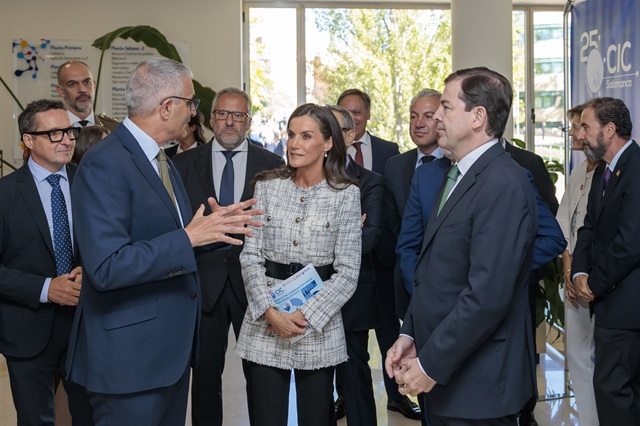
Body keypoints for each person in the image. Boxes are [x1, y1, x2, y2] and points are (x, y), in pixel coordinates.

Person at [65, 58, 262, 425]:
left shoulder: (161, 159)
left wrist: (220, 229)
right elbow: (107, 267)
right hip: (130, 361)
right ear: (167, 106)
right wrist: (189, 237)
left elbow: (174, 239)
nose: (194, 112)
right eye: (191, 102)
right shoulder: (105, 163)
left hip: (167, 356)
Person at [386, 67, 538, 425]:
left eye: (446, 106)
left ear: (478, 117)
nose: (436, 116)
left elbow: (486, 296)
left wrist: (429, 364)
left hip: (478, 386)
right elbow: (434, 269)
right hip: (447, 374)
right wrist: (411, 333)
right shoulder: (457, 173)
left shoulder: (502, 183)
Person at [235, 103, 361, 426]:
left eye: (306, 136)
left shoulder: (346, 195)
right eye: (291, 135)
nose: (294, 143)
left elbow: (348, 272)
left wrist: (306, 316)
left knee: (317, 418)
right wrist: (270, 312)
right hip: (265, 323)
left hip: (318, 328)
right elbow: (250, 257)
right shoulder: (267, 186)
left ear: (328, 142)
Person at [172, 87, 284, 426]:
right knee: (205, 379)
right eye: (223, 114)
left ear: (249, 121)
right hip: (203, 284)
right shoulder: (183, 164)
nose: (230, 122)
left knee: (262, 379)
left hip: (255, 288)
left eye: (238, 115)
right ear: (210, 118)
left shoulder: (273, 166)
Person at [0, 99, 93, 425]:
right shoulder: (5, 194)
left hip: (85, 325)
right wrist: (45, 288)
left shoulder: (89, 183)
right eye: (54, 133)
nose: (67, 140)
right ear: (28, 140)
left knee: (91, 415)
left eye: (69, 131)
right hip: (27, 329)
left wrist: (92, 271)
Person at [338, 89, 420, 420]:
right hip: (345, 269)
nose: (352, 119)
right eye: (345, 113)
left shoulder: (389, 152)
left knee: (390, 333)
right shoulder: (323, 161)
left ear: (368, 114)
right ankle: (345, 398)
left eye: (357, 112)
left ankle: (397, 395)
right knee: (348, 344)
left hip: (383, 259)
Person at [572, 97, 640, 426]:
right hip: (610, 302)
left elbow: (631, 242)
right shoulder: (603, 171)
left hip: (627, 307)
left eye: (586, 127)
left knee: (613, 390)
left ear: (609, 130)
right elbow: (589, 228)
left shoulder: (636, 169)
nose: (579, 135)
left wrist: (594, 284)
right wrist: (578, 273)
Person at [327, 104, 383, 425]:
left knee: (355, 380)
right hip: (307, 294)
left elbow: (368, 239)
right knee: (314, 386)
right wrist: (344, 232)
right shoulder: (298, 180)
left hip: (352, 297)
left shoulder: (370, 183)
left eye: (333, 129)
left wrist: (318, 240)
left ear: (350, 137)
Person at [555, 102, 599, 426]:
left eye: (577, 126)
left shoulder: (610, 174)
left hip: (597, 282)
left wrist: (579, 274)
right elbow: (563, 225)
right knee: (577, 357)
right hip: (574, 280)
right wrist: (569, 270)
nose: (572, 132)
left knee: (600, 362)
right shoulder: (578, 170)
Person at [385, 88, 442, 323]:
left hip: (449, 286)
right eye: (413, 116)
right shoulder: (395, 165)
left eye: (428, 116)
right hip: (407, 286)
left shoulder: (458, 164)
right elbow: (394, 227)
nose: (418, 123)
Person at [56, 61, 119, 131]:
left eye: (86, 82)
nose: (82, 90)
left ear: (94, 86)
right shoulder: (53, 129)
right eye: (73, 84)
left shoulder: (114, 128)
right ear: (61, 91)